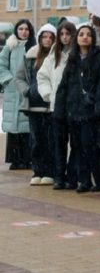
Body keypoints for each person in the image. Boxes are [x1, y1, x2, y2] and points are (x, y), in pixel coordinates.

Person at [57, 25, 100, 193]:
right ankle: (84, 181)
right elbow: (64, 87)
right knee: (78, 147)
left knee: (90, 147)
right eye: (81, 34)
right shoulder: (73, 59)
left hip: (91, 113)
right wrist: (60, 110)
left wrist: (98, 110)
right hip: (74, 112)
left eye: (88, 35)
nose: (84, 37)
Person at [38, 21, 76, 190]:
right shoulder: (54, 55)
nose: (65, 37)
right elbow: (42, 76)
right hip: (57, 106)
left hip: (75, 107)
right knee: (58, 144)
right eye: (62, 34)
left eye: (68, 34)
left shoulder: (77, 55)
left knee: (76, 144)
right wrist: (48, 94)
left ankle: (72, 176)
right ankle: (59, 176)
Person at [17, 25, 55, 185]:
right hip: (33, 105)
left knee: (50, 139)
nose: (47, 40)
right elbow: (19, 77)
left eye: (50, 37)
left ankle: (50, 172)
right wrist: (27, 90)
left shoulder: (58, 55)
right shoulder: (30, 56)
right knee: (36, 140)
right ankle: (37, 171)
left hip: (51, 106)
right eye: (44, 37)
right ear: (40, 38)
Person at [1, 19, 34, 172]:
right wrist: (8, 80)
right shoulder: (9, 47)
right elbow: (1, 65)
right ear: (16, 31)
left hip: (27, 90)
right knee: (14, 127)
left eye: (26, 29)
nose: (23, 32)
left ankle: (27, 159)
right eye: (20, 29)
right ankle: (15, 159)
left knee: (26, 125)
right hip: (12, 91)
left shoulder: (33, 46)